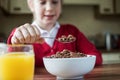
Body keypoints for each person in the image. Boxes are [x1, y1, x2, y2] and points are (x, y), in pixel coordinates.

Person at [7, 0, 102, 67]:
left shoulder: (72, 32)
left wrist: (75, 58)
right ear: (31, 5)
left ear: (61, 4)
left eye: (55, 2)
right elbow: (10, 62)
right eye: (42, 2)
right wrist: (16, 40)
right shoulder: (22, 35)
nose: (49, 8)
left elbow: (96, 57)